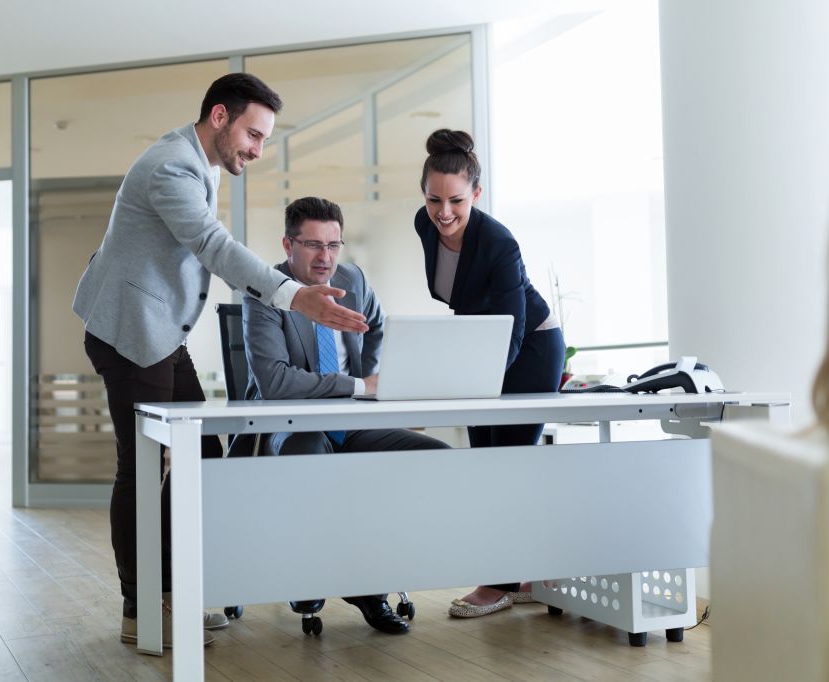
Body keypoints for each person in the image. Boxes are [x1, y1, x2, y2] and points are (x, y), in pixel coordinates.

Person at [73, 73, 369, 650]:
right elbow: (212, 246)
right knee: (142, 466)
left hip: (159, 331)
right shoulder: (172, 167)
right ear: (218, 117)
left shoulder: (196, 161)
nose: (257, 150)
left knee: (201, 453)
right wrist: (291, 294)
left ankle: (172, 590)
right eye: (253, 135)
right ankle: (144, 608)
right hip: (130, 331)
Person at [239, 195, 450, 634]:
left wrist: (373, 381)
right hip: (291, 426)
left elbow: (380, 329)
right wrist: (358, 386)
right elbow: (276, 382)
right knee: (317, 464)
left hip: (353, 423)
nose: (326, 257)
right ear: (288, 244)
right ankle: (326, 576)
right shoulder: (264, 292)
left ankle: (368, 576)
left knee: (435, 457)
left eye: (334, 245)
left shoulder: (352, 279)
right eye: (314, 245)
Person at [414, 129, 565, 618]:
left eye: (456, 200)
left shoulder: (499, 242)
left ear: (475, 195)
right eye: (434, 198)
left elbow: (514, 331)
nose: (444, 212)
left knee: (507, 461)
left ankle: (497, 583)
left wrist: (477, 380)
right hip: (478, 342)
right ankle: (517, 574)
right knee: (484, 460)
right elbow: (460, 298)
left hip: (530, 347)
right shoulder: (424, 224)